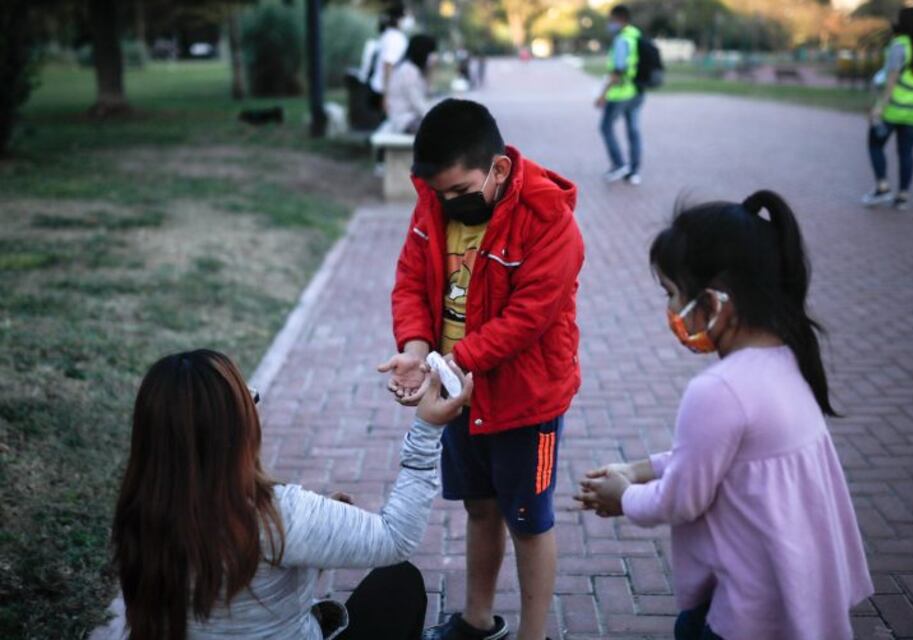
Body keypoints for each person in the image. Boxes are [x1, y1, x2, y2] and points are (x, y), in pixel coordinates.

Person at [576, 191, 873, 640]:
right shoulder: (787, 359)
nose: (673, 312)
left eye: (674, 294)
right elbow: (721, 459)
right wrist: (639, 469)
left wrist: (624, 496)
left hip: (742, 614)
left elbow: (681, 500)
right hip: (789, 596)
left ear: (714, 303)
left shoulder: (718, 391)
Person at [379, 98, 584, 640]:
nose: (448, 205)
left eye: (461, 194)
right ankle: (477, 621)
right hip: (459, 393)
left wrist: (446, 362)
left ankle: (531, 635)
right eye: (440, 194)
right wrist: (418, 348)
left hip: (527, 401)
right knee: (479, 508)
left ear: (497, 168)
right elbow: (409, 282)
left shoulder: (549, 219)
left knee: (529, 523)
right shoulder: (433, 202)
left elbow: (527, 320)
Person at [111, 349, 472, 640]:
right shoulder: (275, 514)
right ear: (234, 427)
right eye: (249, 398)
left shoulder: (139, 510)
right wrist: (426, 431)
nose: (256, 405)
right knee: (398, 584)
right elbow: (396, 539)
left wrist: (318, 536)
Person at [862, 7, 913, 211]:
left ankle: (882, 187)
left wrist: (879, 107)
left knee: (874, 144)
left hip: (895, 108)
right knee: (906, 152)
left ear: (903, 23)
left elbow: (891, 81)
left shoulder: (899, 46)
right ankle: (903, 197)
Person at [596, 4, 645, 186]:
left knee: (605, 127)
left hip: (620, 94)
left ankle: (618, 164)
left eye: (612, 20)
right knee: (633, 131)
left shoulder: (622, 40)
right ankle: (634, 171)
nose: (610, 24)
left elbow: (618, 70)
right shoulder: (636, 36)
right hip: (637, 92)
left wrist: (603, 94)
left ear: (620, 19)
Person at [383, 34, 438, 134]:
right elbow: (418, 104)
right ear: (424, 52)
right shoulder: (408, 71)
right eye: (432, 53)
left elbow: (427, 96)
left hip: (411, 118)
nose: (434, 58)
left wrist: (430, 72)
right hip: (405, 120)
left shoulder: (414, 70)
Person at [369, 3, 414, 114]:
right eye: (407, 15)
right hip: (384, 91)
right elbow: (388, 66)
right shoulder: (396, 38)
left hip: (380, 89)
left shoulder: (388, 34)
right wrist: (386, 97)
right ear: (399, 18)